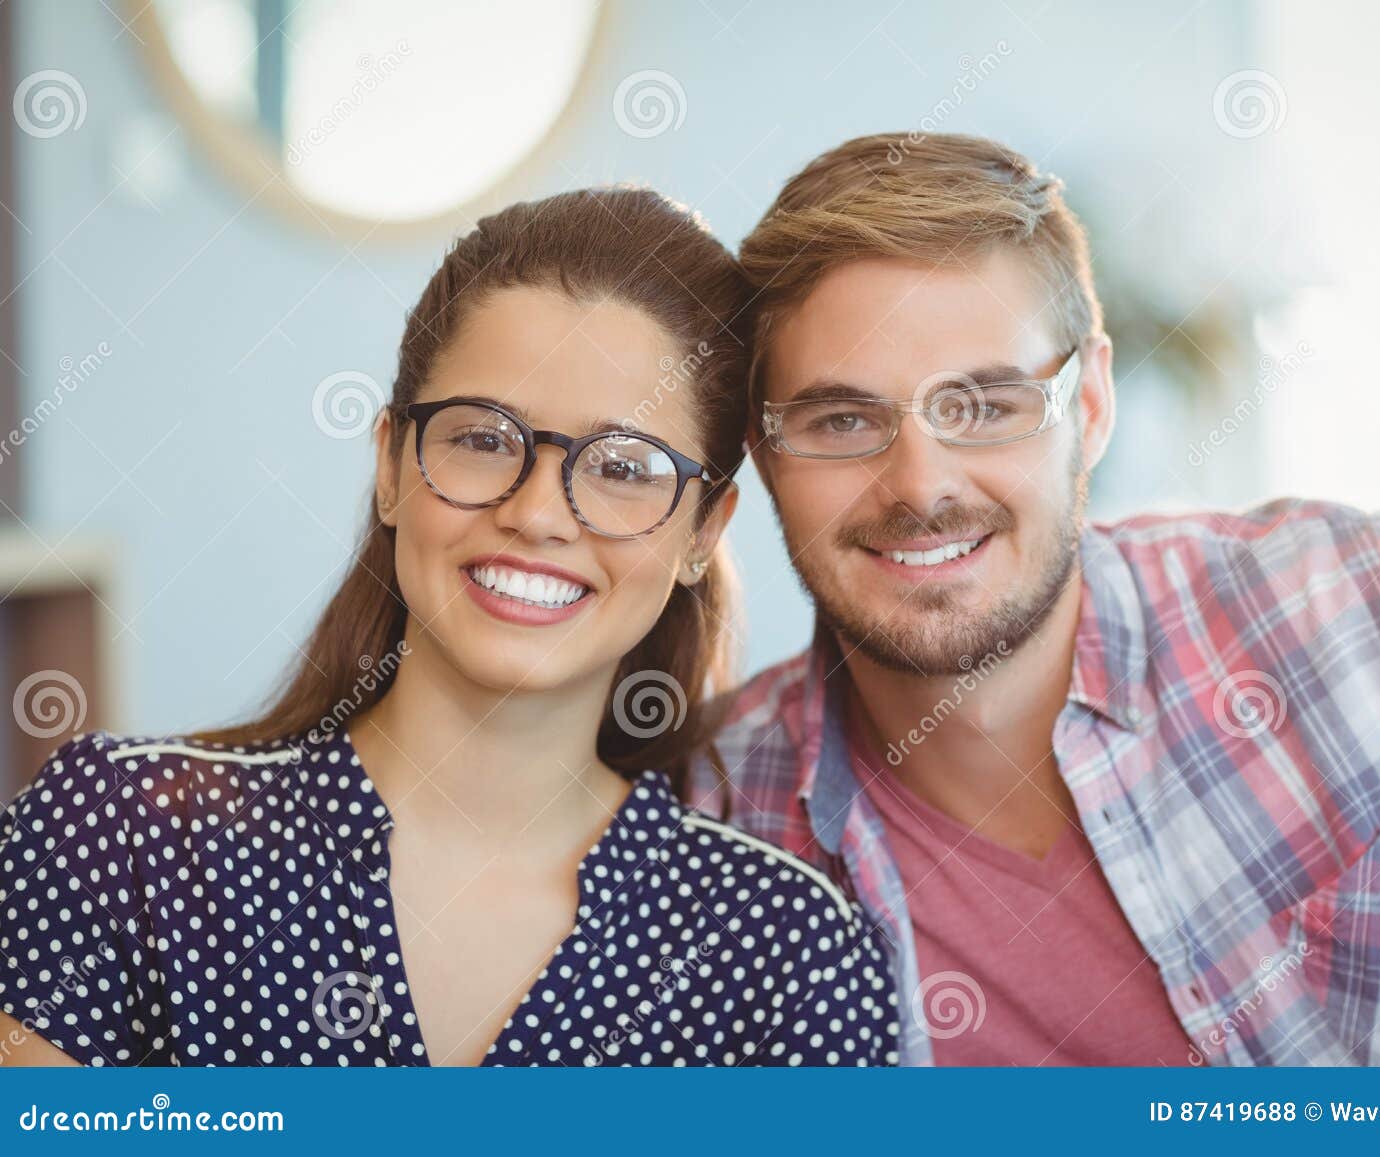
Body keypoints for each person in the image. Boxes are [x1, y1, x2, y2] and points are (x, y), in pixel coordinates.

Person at [691, 132, 1380, 1067]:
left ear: (1089, 408)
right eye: (842, 420)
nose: (920, 487)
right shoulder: (711, 819)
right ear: (765, 456)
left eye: (988, 406)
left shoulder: (1350, 605)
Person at [0, 188, 896, 1068]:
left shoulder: (793, 956)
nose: (540, 515)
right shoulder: (117, 838)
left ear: (703, 533)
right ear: (391, 464)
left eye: (624, 466)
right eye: (483, 439)